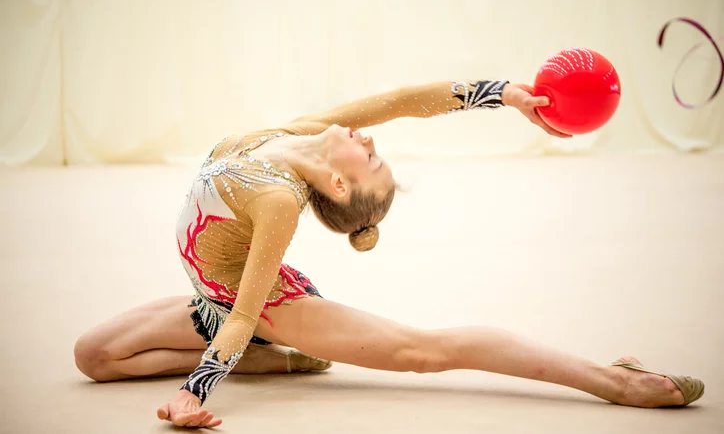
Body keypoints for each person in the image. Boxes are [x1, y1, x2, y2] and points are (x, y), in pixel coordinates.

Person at [73, 80, 704, 429]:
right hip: (217, 298)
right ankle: (286, 364)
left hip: (261, 307)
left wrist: (196, 390)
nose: (368, 137)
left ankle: (614, 381)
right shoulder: (280, 136)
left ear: (338, 186)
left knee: (424, 350)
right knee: (95, 356)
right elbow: (402, 102)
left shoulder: (279, 201)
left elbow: (244, 312)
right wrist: (503, 93)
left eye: (369, 157)